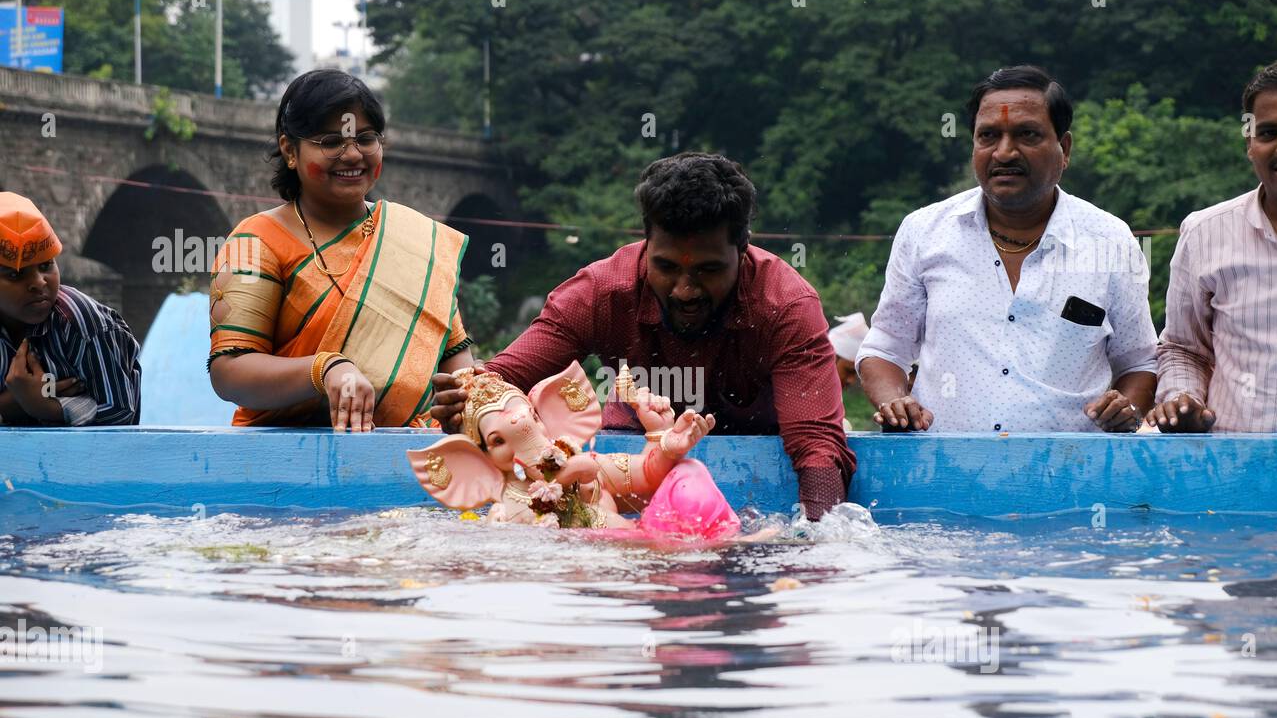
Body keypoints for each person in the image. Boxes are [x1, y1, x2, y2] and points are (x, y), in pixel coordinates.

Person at [430, 152, 856, 518]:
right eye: (667, 267)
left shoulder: (785, 305)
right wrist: (469, 407)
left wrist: (818, 544)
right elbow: (502, 379)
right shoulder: (601, 292)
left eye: (708, 270)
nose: (685, 291)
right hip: (627, 471)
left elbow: (817, 446)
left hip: (757, 469)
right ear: (646, 242)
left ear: (743, 251)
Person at [857, 65, 1158, 434]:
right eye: (988, 136)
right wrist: (895, 401)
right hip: (943, 473)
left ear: (1063, 149)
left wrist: (1126, 407)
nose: (1004, 152)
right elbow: (885, 349)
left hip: (1072, 477)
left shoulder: (1110, 240)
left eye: (1026, 135)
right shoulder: (924, 231)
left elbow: (1140, 363)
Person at [208, 69, 475, 431]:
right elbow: (230, 372)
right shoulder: (256, 240)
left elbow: (458, 367)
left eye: (365, 139)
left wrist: (463, 401)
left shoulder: (414, 241)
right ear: (290, 151)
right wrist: (324, 369)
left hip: (411, 462)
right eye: (331, 142)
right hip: (282, 465)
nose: (352, 155)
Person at [1148, 60, 1277, 433]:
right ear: (1250, 143)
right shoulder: (1205, 233)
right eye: (1268, 133)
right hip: (1235, 473)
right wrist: (1183, 399)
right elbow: (1183, 349)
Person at [0, 192, 140, 426]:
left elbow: (120, 408)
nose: (39, 282)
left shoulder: (85, 325)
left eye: (46, 265)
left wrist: (45, 407)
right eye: (16, 274)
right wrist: (16, 400)